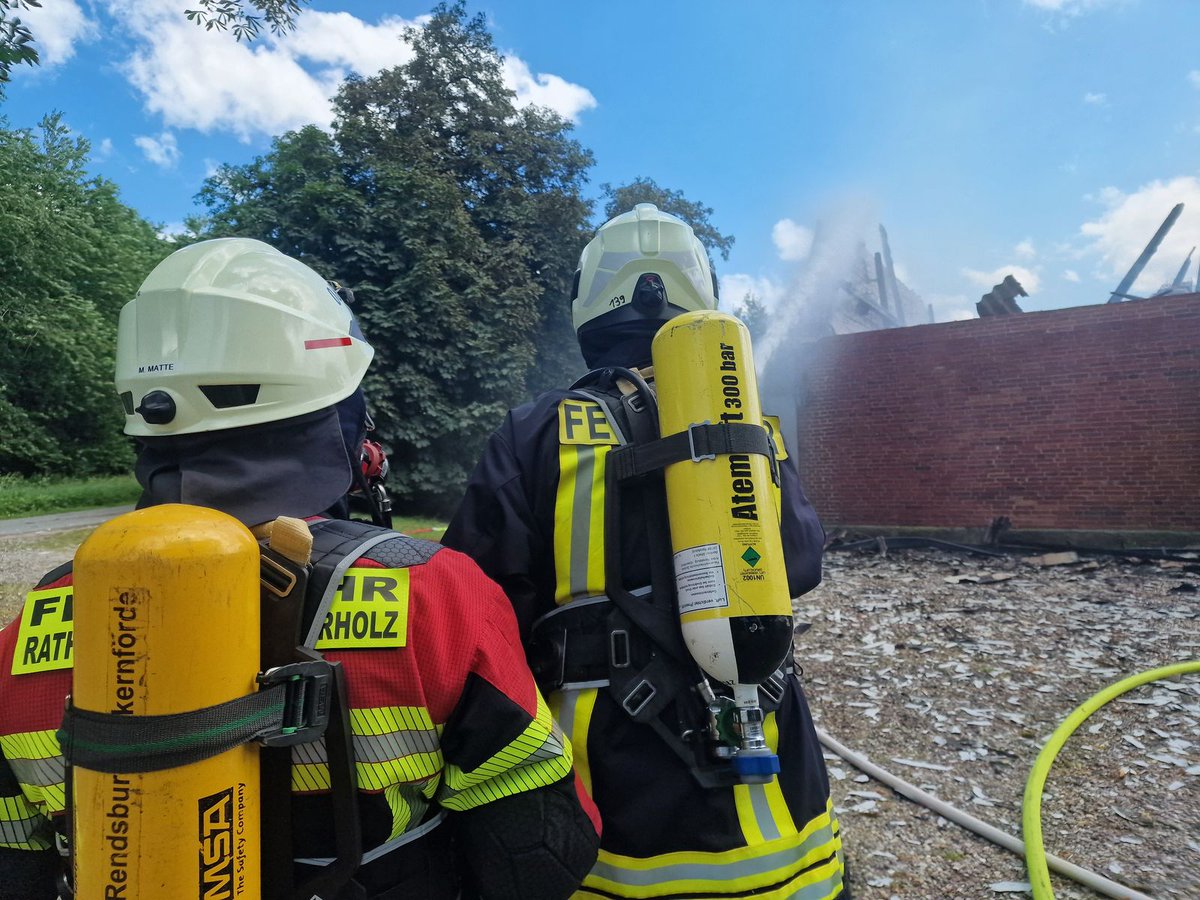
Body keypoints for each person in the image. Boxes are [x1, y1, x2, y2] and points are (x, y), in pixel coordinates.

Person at [0, 238, 600, 899]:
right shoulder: (436, 592)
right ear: (336, 422)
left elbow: (16, 868)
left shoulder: (33, 625)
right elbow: (540, 855)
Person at [443, 204, 847, 899]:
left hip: (612, 803)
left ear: (589, 306)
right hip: (782, 814)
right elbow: (802, 566)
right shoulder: (749, 428)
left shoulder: (536, 432)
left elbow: (476, 607)